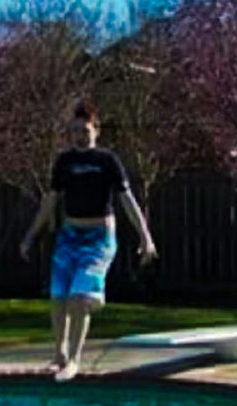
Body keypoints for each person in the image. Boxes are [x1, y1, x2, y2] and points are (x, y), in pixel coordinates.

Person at [20, 99, 157, 381]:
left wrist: (145, 237)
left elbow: (127, 200)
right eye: (74, 131)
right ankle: (58, 355)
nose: (79, 137)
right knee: (58, 297)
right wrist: (30, 236)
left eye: (84, 131)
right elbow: (50, 201)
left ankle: (74, 359)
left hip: (98, 239)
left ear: (96, 130)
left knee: (78, 298)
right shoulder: (64, 162)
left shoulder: (107, 161)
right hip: (69, 237)